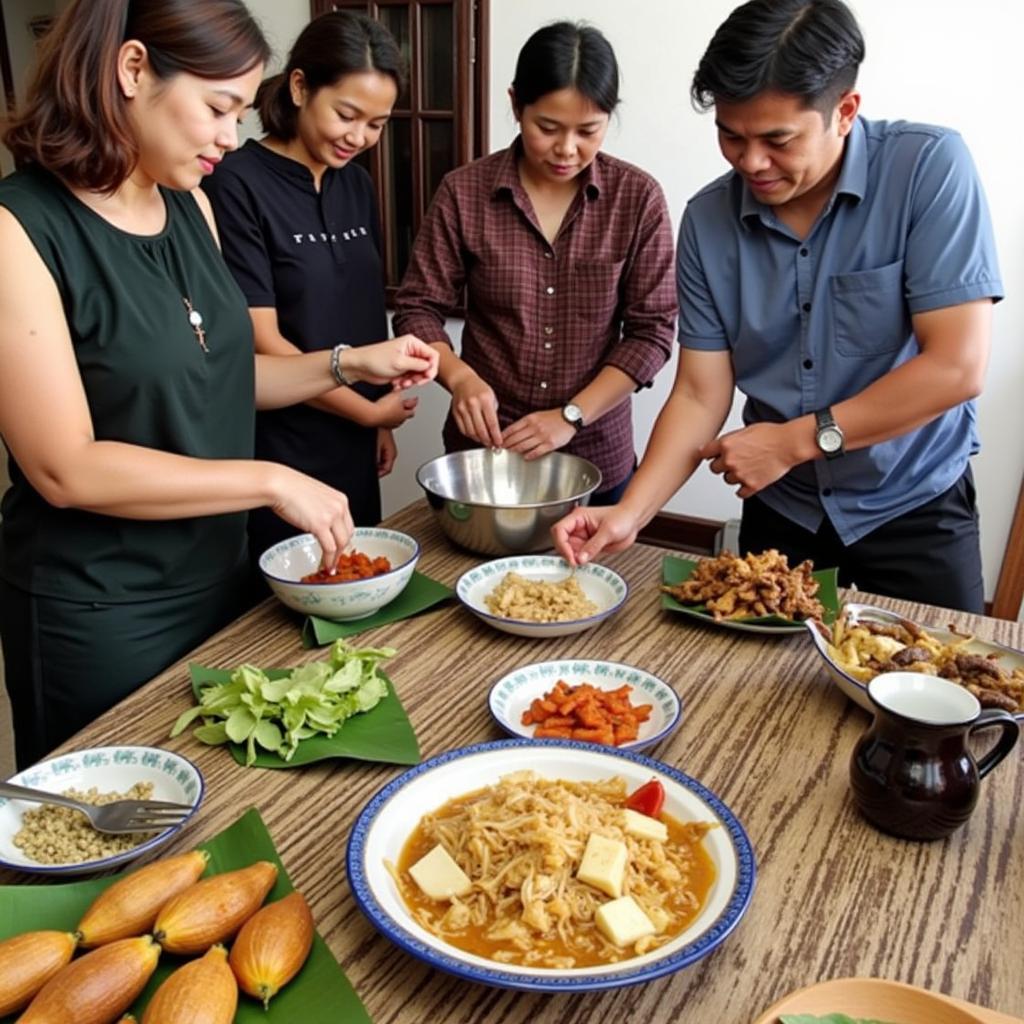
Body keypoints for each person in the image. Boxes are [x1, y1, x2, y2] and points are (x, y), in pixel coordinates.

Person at [0, 0, 437, 768]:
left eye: (238, 110)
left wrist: (351, 362)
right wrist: (269, 478)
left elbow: (227, 377)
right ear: (132, 70)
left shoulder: (190, 206)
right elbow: (63, 467)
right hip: (104, 607)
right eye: (216, 108)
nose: (230, 137)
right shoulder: (21, 229)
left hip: (221, 578)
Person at [553, 0, 1002, 612]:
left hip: (913, 506)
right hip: (782, 511)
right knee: (763, 702)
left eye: (778, 140)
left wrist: (797, 441)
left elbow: (956, 366)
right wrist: (629, 514)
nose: (751, 162)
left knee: (947, 695)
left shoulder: (927, 168)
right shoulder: (709, 220)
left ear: (844, 112)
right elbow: (699, 393)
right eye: (731, 136)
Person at [391, 21, 676, 505]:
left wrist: (571, 415)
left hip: (595, 457)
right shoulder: (465, 192)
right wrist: (459, 377)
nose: (567, 149)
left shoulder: (637, 198)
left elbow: (651, 333)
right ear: (515, 104)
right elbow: (418, 308)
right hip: (485, 455)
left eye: (588, 130)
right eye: (548, 127)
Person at [203, 11, 417, 562]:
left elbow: (364, 311)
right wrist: (367, 413)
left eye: (376, 124)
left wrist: (376, 422)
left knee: (355, 582)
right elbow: (263, 341)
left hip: (354, 439)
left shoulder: (357, 184)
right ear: (299, 87)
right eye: (346, 114)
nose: (359, 137)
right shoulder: (235, 183)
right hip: (281, 442)